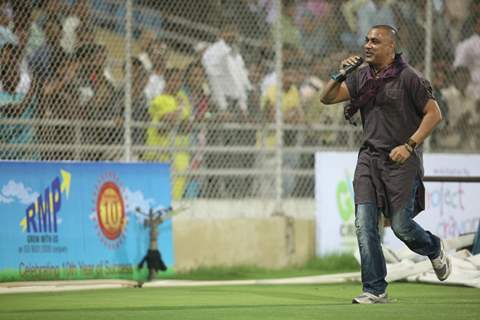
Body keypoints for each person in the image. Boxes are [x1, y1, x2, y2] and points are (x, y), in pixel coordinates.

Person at [320, 25, 451, 304]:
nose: (368, 45)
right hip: (369, 159)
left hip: (401, 160)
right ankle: (375, 289)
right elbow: (327, 97)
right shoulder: (361, 77)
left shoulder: (410, 78)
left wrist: (410, 145)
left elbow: (434, 113)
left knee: (402, 227)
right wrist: (340, 73)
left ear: (390, 48)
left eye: (375, 41)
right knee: (364, 224)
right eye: (366, 40)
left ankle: (433, 247)